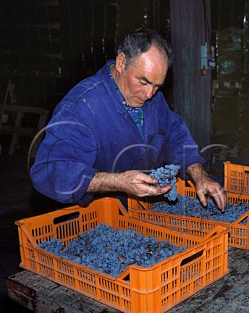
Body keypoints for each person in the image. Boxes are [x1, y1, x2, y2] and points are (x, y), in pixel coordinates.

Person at [30, 28, 226, 211]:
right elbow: (50, 171)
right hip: (95, 221)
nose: (150, 93)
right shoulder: (81, 108)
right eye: (143, 81)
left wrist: (199, 175)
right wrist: (118, 182)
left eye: (157, 85)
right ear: (121, 63)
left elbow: (175, 135)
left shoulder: (152, 99)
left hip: (141, 214)